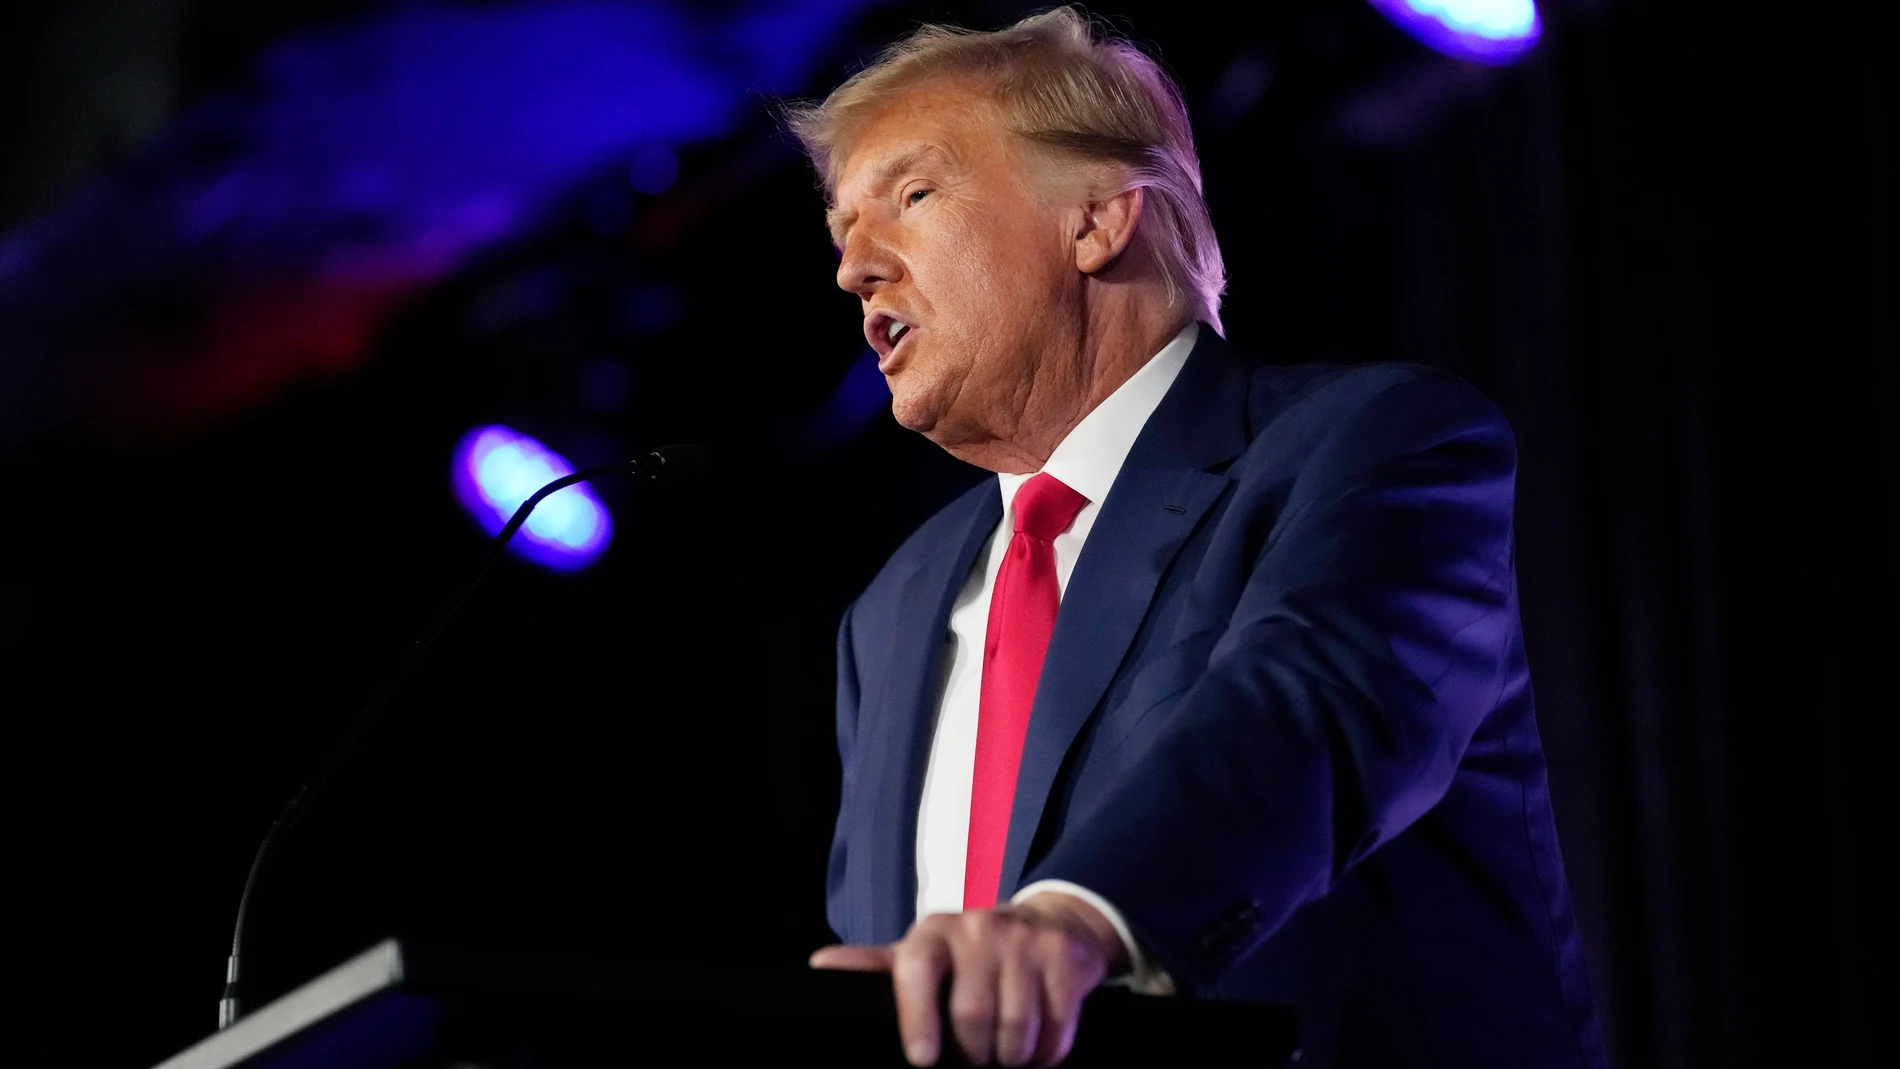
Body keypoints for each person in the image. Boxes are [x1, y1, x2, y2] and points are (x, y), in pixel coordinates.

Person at [790, 9, 1603, 1068]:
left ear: (1097, 218)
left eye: (911, 196)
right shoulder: (889, 611)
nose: (854, 267)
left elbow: (1307, 711)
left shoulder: (1371, 444)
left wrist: (1075, 920)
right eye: (840, 231)